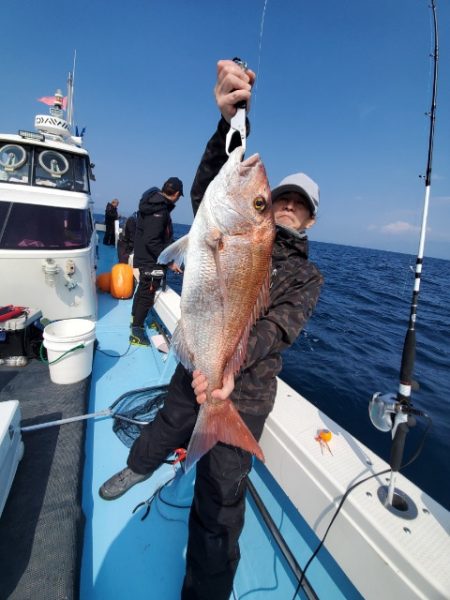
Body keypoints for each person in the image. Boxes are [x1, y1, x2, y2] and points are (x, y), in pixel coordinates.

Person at [99, 59, 324, 599]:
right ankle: (136, 467)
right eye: (280, 200)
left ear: (311, 220)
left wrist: (227, 373)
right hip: (200, 354)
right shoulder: (238, 226)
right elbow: (211, 191)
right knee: (168, 422)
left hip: (243, 392)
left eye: (299, 205)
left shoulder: (307, 276)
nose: (288, 206)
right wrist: (228, 124)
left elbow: (276, 329)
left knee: (222, 500)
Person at [130, 177, 184, 346]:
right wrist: (168, 262)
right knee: (147, 295)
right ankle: (136, 333)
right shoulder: (160, 211)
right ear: (175, 194)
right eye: (178, 196)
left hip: (145, 258)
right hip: (151, 261)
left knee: (142, 291)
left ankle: (135, 320)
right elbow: (152, 240)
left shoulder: (152, 203)